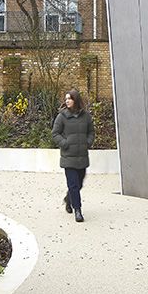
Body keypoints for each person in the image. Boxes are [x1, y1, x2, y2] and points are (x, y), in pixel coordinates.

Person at [52, 88, 94, 223]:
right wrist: (65, 144)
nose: (67, 101)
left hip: (82, 156)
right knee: (73, 185)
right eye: (66, 99)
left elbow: (91, 132)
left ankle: (68, 199)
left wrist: (87, 143)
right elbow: (55, 134)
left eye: (69, 98)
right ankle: (78, 211)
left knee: (79, 184)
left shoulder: (86, 116)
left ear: (76, 100)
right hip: (68, 157)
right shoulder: (62, 117)